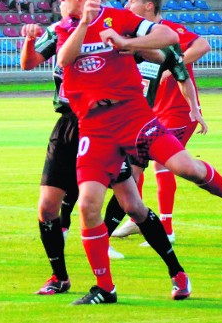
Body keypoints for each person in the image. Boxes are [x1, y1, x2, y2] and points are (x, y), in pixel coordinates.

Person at [55, 0, 222, 304]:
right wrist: (84, 26)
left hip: (133, 117)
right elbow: (63, 58)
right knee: (89, 205)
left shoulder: (119, 19)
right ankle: (105, 288)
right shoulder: (64, 28)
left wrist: (127, 43)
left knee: (185, 168)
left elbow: (168, 38)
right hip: (94, 128)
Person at [20, 19, 189, 301]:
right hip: (68, 127)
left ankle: (177, 273)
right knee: (47, 207)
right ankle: (59, 278)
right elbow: (28, 62)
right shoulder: (57, 31)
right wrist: (28, 38)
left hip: (105, 124)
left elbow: (165, 56)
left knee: (133, 205)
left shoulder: (109, 31)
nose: (62, 1)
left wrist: (132, 45)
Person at [111, 0, 210, 243]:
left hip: (179, 111)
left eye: (131, 1)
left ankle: (166, 228)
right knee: (133, 163)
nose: (126, 6)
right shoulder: (137, 35)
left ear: (149, 6)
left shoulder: (170, 31)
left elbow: (203, 45)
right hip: (153, 112)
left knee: (160, 163)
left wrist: (173, 65)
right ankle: (137, 219)